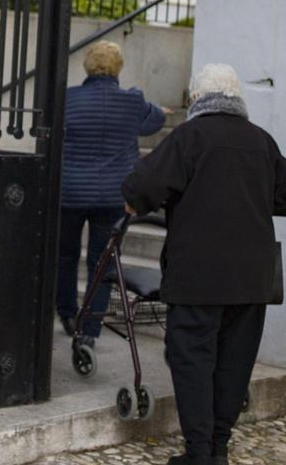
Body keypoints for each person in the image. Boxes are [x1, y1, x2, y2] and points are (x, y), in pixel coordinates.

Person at [121, 64, 286, 465]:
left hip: (198, 275)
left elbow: (139, 189)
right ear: (237, 99)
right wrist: (252, 201)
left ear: (196, 99)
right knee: (233, 364)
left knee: (194, 363)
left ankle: (199, 453)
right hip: (251, 277)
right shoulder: (261, 141)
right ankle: (218, 448)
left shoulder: (190, 137)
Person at [58, 40, 166, 347]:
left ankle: (66, 312)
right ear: (118, 68)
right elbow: (156, 120)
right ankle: (89, 330)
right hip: (112, 197)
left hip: (71, 194)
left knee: (66, 256)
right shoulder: (132, 102)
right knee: (101, 262)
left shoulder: (68, 99)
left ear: (87, 67)